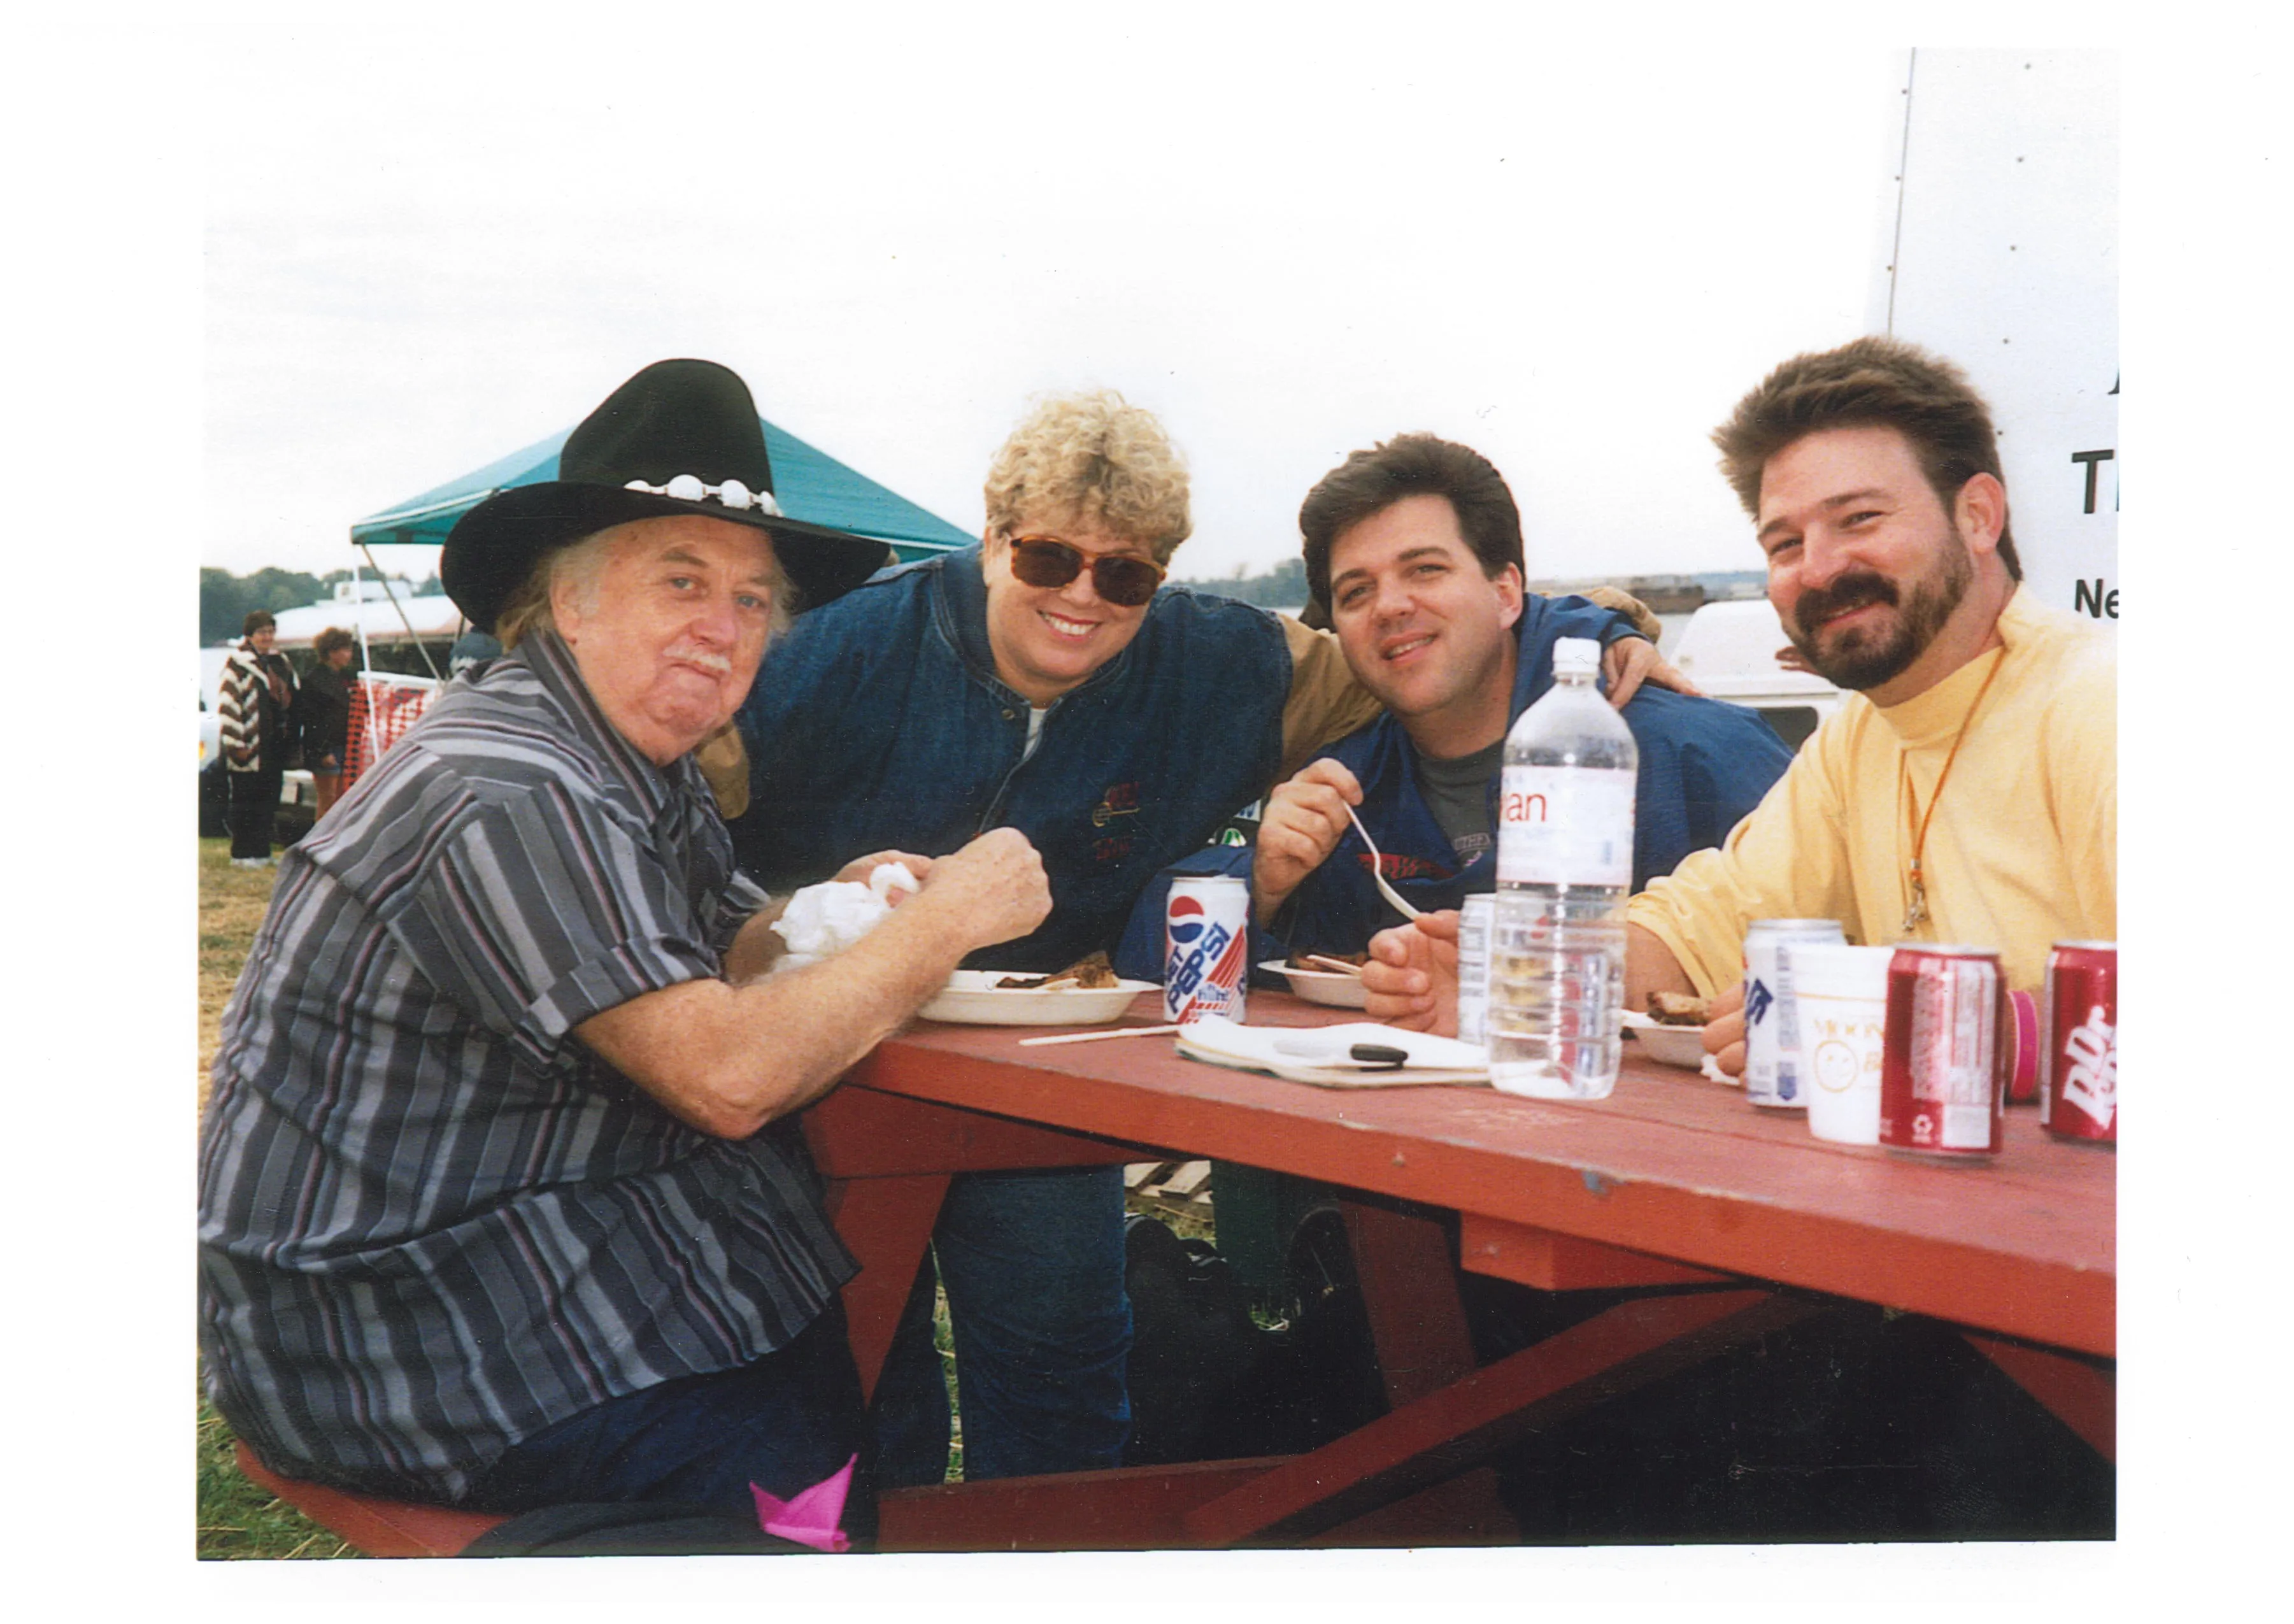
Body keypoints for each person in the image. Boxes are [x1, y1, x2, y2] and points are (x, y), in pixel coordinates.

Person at [730, 391, 1689, 1489]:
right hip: (821, 1061)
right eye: (1049, 560)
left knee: (1061, 1391)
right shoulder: (839, 649)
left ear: (1163, 578)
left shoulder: (1225, 661)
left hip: (1044, 1067)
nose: (1083, 597)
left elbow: (1421, 651)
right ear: (993, 541)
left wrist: (1584, 629)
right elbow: (683, 796)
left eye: (1126, 574)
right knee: (853, 1396)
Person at [199, 360, 1055, 1535]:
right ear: (568, 600)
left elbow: (714, 948)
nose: (724, 626)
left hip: (520, 1256)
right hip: (394, 1329)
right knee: (805, 1459)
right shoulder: (504, 783)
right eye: (681, 580)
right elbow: (728, 1076)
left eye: (753, 600)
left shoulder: (630, 760)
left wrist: (829, 911)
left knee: (835, 1368)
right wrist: (954, 916)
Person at [1362, 338, 2116, 1065]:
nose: (1818, 570)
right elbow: (1704, 927)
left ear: (1977, 516)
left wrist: (1927, 1026)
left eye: (1859, 519)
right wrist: (1509, 977)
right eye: (1783, 544)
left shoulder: (2100, 706)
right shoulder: (1860, 742)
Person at [1114, 433, 1792, 969]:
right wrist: (1255, 882)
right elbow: (1157, 979)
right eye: (1355, 592)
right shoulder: (1342, 797)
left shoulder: (1697, 755)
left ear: (1504, 593)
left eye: (1424, 570)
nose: (1389, 607)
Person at [217, 609, 301, 866]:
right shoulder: (237, 665)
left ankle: (262, 851)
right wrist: (236, 743)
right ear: (250, 635)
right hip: (249, 744)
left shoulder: (280, 662)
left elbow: (293, 697)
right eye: (262, 632)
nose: (267, 637)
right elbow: (228, 704)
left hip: (275, 744)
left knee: (269, 799)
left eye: (270, 632)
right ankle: (242, 853)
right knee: (245, 800)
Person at [300, 625, 358, 820]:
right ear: (332, 652)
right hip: (326, 748)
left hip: (345, 744)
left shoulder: (347, 678)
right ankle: (318, 843)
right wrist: (323, 751)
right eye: (346, 649)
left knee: (343, 797)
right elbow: (311, 720)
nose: (349, 654)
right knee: (328, 798)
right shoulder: (313, 680)